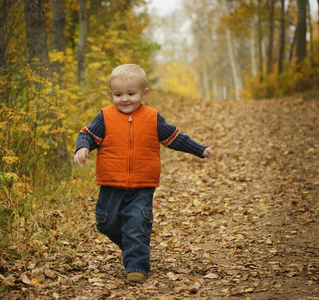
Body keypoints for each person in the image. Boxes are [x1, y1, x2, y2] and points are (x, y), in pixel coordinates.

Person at [73, 64, 214, 283]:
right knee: (106, 222)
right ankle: (134, 245)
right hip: (111, 182)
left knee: (138, 223)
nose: (124, 99)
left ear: (144, 93)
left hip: (143, 183)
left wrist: (199, 149)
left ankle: (136, 265)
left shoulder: (152, 118)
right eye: (118, 94)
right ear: (112, 93)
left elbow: (176, 138)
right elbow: (88, 135)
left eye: (131, 94)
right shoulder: (105, 117)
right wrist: (82, 147)